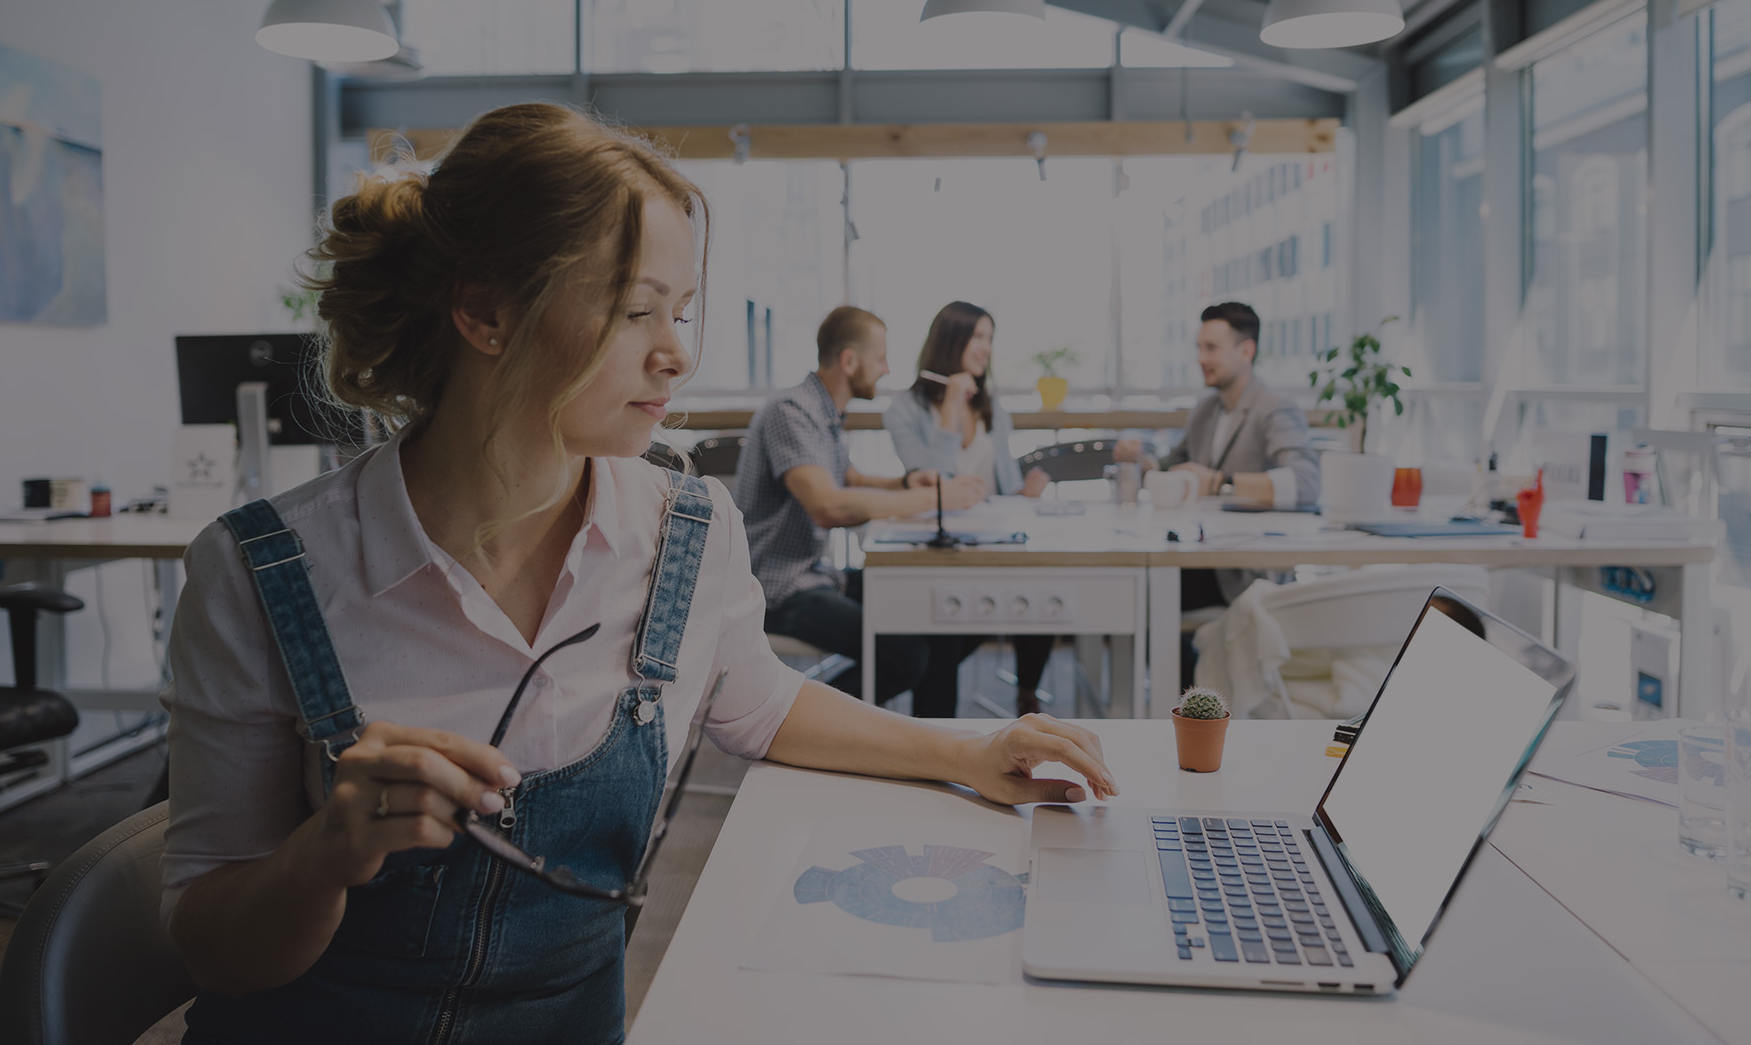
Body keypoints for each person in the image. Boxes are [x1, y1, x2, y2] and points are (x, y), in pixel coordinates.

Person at [160, 103, 1116, 1045]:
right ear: (488, 311)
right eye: (636, 310)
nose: (678, 352)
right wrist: (324, 856)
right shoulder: (258, 573)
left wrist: (966, 754)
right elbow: (215, 952)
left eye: (684, 311)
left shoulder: (686, 532)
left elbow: (761, 700)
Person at [738, 306, 990, 718]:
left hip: (815, 574)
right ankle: (795, 723)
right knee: (905, 654)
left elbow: (849, 478)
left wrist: (910, 483)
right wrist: (939, 498)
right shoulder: (792, 412)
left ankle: (937, 743)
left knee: (937, 611)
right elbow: (828, 506)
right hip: (778, 587)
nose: (887, 369)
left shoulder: (823, 411)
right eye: (881, 358)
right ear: (849, 361)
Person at [1114, 301, 1319, 688]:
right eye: (1199, 347)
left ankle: (1192, 702)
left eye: (1211, 348)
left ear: (1247, 350)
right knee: (1133, 589)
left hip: (1246, 569)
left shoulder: (1274, 408)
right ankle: (1187, 696)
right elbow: (1172, 468)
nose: (1200, 358)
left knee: (1146, 596)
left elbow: (1306, 484)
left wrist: (1220, 482)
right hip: (1203, 556)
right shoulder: (1206, 409)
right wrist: (1141, 460)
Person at [884, 301, 1056, 714]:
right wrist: (949, 410)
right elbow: (933, 485)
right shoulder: (904, 411)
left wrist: (1026, 495)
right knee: (943, 630)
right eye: (978, 337)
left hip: (989, 542)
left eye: (989, 339)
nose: (986, 349)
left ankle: (1027, 692)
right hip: (938, 548)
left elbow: (1006, 486)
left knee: (1043, 582)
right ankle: (934, 733)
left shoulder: (993, 409)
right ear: (951, 341)